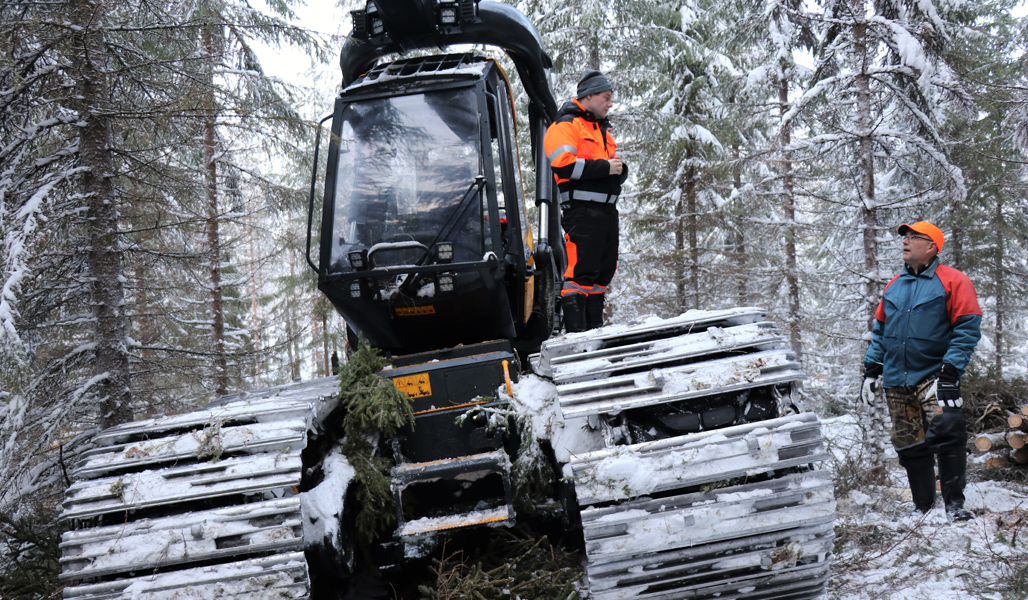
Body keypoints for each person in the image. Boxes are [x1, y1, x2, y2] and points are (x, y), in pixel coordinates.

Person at [861, 221, 982, 521]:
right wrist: (872, 369)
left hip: (934, 374)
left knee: (948, 431)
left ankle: (955, 506)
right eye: (905, 236)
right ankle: (923, 508)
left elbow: (966, 329)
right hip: (897, 378)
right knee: (908, 442)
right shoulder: (894, 284)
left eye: (914, 237)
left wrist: (950, 372)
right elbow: (881, 331)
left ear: (931, 247)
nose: (906, 241)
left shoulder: (954, 281)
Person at [544, 69, 628, 332]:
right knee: (581, 273)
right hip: (581, 212)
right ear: (588, 96)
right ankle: (577, 339)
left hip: (605, 212)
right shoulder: (566, 125)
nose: (610, 103)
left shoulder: (602, 129)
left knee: (603, 274)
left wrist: (618, 170)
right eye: (606, 97)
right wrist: (607, 168)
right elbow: (563, 166)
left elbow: (616, 166)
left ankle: (595, 333)